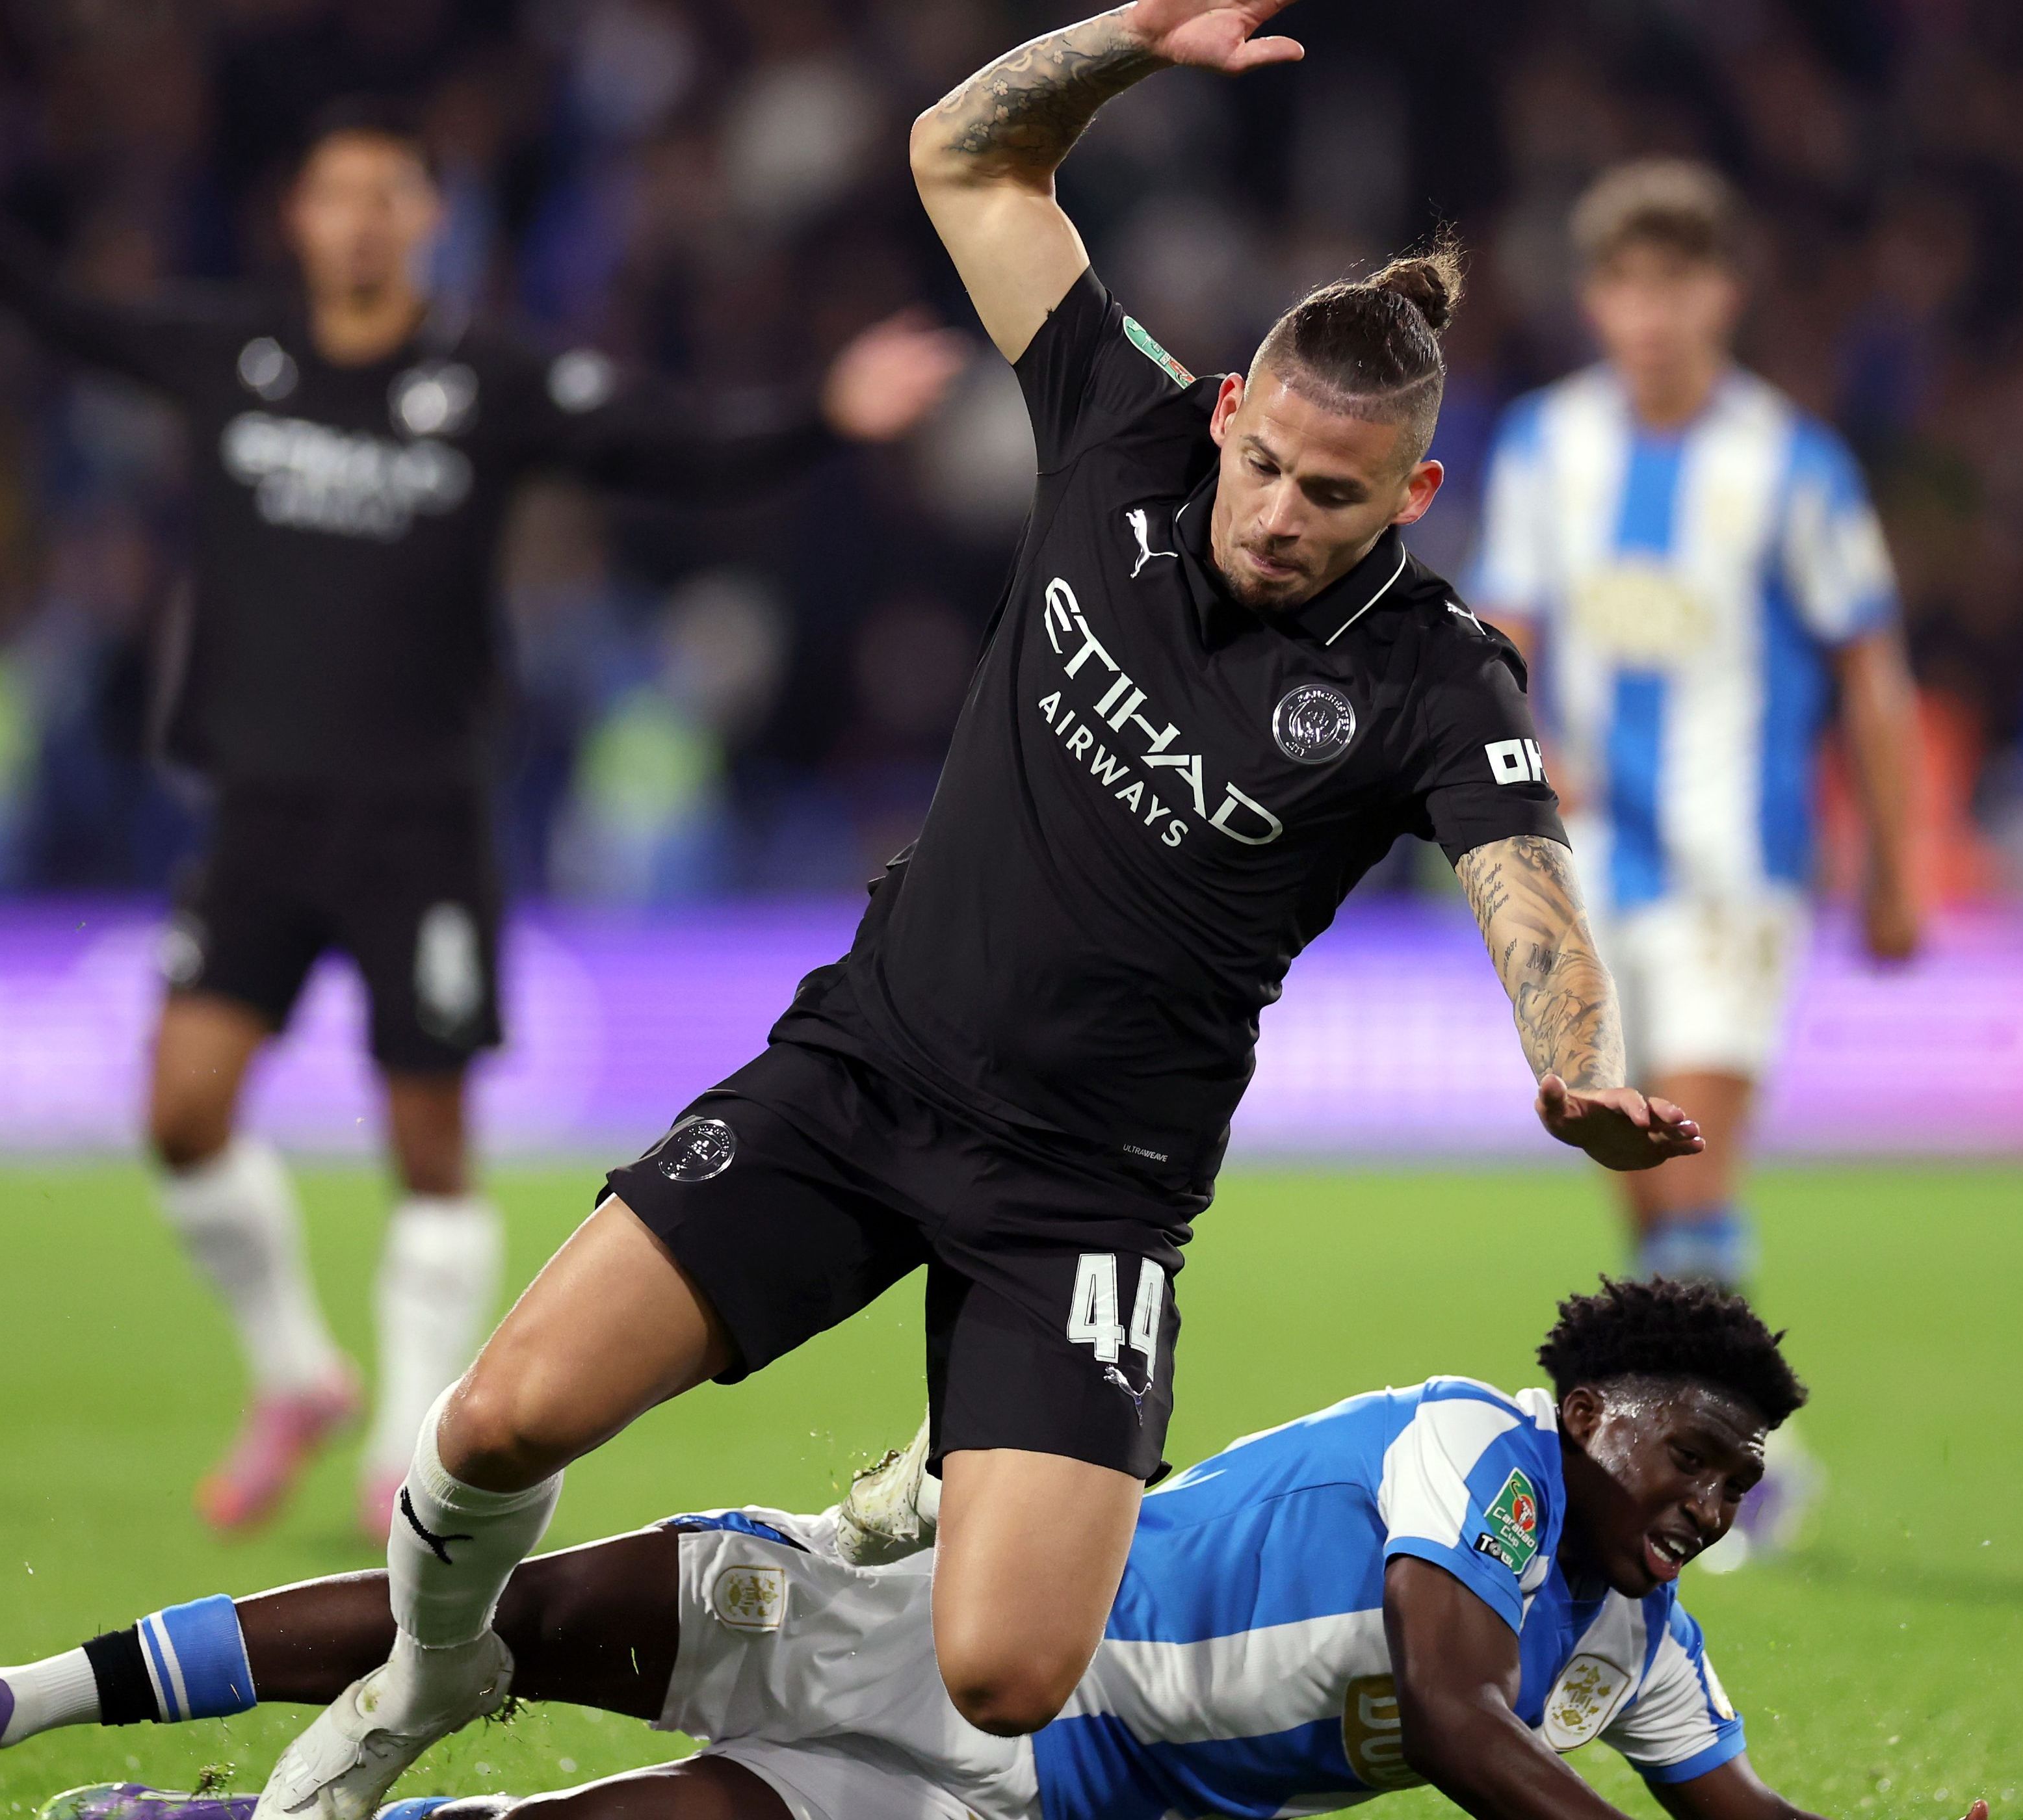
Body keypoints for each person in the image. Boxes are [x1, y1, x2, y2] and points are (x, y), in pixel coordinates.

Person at [231, 5, 1710, 1815]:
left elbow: (1524, 880)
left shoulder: (1431, 673)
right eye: (1263, 464)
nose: (1275, 515)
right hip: (865, 1078)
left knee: (1006, 1673)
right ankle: (424, 1680)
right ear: (1230, 413)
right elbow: (963, 153)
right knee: (490, 1426)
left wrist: (1576, 1062)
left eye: (1334, 499)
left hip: (1085, 1199)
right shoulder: (1124, 433)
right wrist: (1134, 41)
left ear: (1409, 495)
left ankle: (879, 1515)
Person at [0, 28, 965, 1540]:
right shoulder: (228, 355)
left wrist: (819, 412)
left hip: (420, 819)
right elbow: (33, 298)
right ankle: (291, 1370)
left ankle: (402, 1438)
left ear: (427, 217)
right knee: (183, 1107)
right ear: (298, 217)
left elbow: (662, 440)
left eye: (391, 195)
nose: (361, 219)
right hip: (256, 814)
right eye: (336, 195)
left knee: (425, 1145)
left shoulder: (485, 379)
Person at [0, 1279, 1986, 1820]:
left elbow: (1726, 1799)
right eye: (1692, 1459)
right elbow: (1445, 1708)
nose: (1708, 1508)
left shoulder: (1637, 1640)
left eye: (1733, 1487)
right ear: (1586, 1409)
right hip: (925, 1612)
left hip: (1009, 1798)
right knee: (505, 1629)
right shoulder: (1477, 1457)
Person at [1465, 161, 1922, 1560]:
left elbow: (1870, 667)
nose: (1647, 313)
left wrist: (1895, 862)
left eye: (1675, 282)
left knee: (1699, 1176)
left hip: (1736, 864)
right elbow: (1500, 636)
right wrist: (1511, 742)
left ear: (1720, 292)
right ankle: (1725, 1467)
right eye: (1622, 283)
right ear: (1595, 297)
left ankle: (1716, 1480)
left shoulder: (1790, 464)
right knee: (1634, 1179)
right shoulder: (1547, 449)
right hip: (1586, 864)